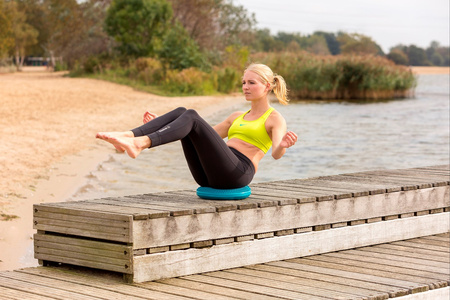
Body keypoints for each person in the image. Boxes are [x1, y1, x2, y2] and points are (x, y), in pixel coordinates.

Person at [96, 63, 298, 189]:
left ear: (267, 86)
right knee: (183, 113)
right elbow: (199, 134)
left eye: (251, 83)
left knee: (190, 115)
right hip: (207, 175)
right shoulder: (236, 116)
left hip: (238, 173)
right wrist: (167, 124)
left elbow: (276, 154)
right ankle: (128, 136)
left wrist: (283, 146)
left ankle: (139, 144)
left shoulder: (274, 118)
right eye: (243, 82)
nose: (245, 87)